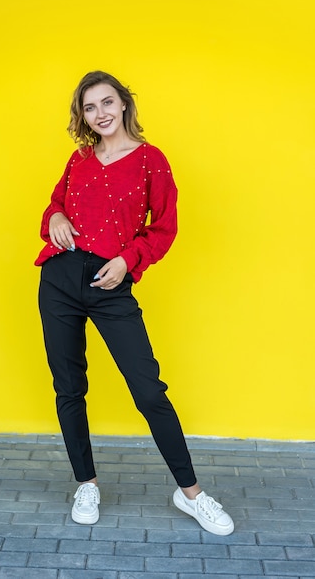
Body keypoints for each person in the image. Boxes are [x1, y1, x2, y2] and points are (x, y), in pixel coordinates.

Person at [35, 70, 234, 536]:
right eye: (90, 107)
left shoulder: (151, 161)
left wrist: (128, 260)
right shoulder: (80, 158)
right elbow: (53, 206)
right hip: (60, 278)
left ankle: (192, 495)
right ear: (82, 115)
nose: (100, 114)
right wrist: (57, 215)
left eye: (107, 103)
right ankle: (86, 482)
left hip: (110, 284)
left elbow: (163, 228)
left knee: (148, 390)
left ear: (124, 104)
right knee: (69, 387)